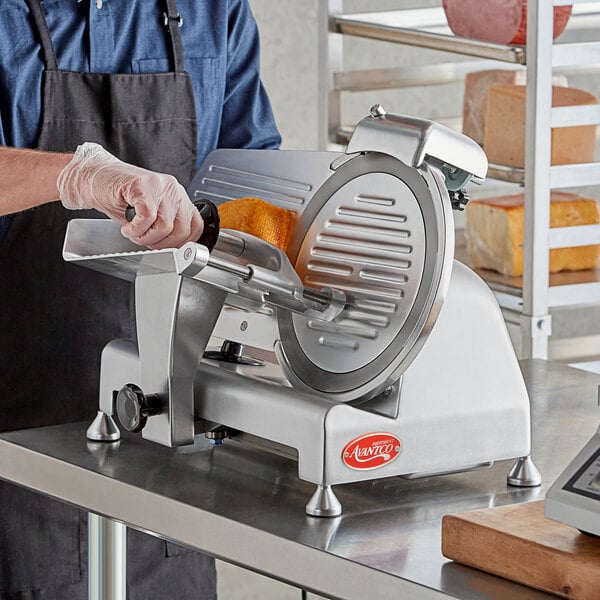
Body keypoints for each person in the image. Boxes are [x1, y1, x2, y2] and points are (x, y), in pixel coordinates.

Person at [0, 1, 281, 599]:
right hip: (14, 430)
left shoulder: (215, 10)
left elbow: (254, 186)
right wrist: (74, 175)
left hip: (168, 436)